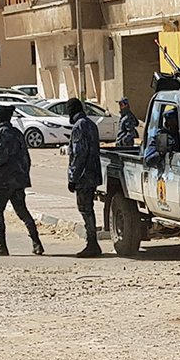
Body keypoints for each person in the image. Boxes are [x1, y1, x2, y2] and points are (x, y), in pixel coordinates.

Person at [0, 104, 44, 256]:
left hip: (3, 182)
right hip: (18, 180)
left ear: (0, 118)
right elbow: (26, 158)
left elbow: (0, 158)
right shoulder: (17, 133)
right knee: (23, 212)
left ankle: (1, 245)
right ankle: (37, 242)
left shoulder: (1, 134)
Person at [66, 97, 104, 258]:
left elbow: (79, 154)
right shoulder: (91, 124)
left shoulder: (79, 127)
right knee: (88, 209)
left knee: (85, 209)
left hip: (84, 177)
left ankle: (92, 243)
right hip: (93, 174)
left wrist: (72, 178)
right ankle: (92, 242)